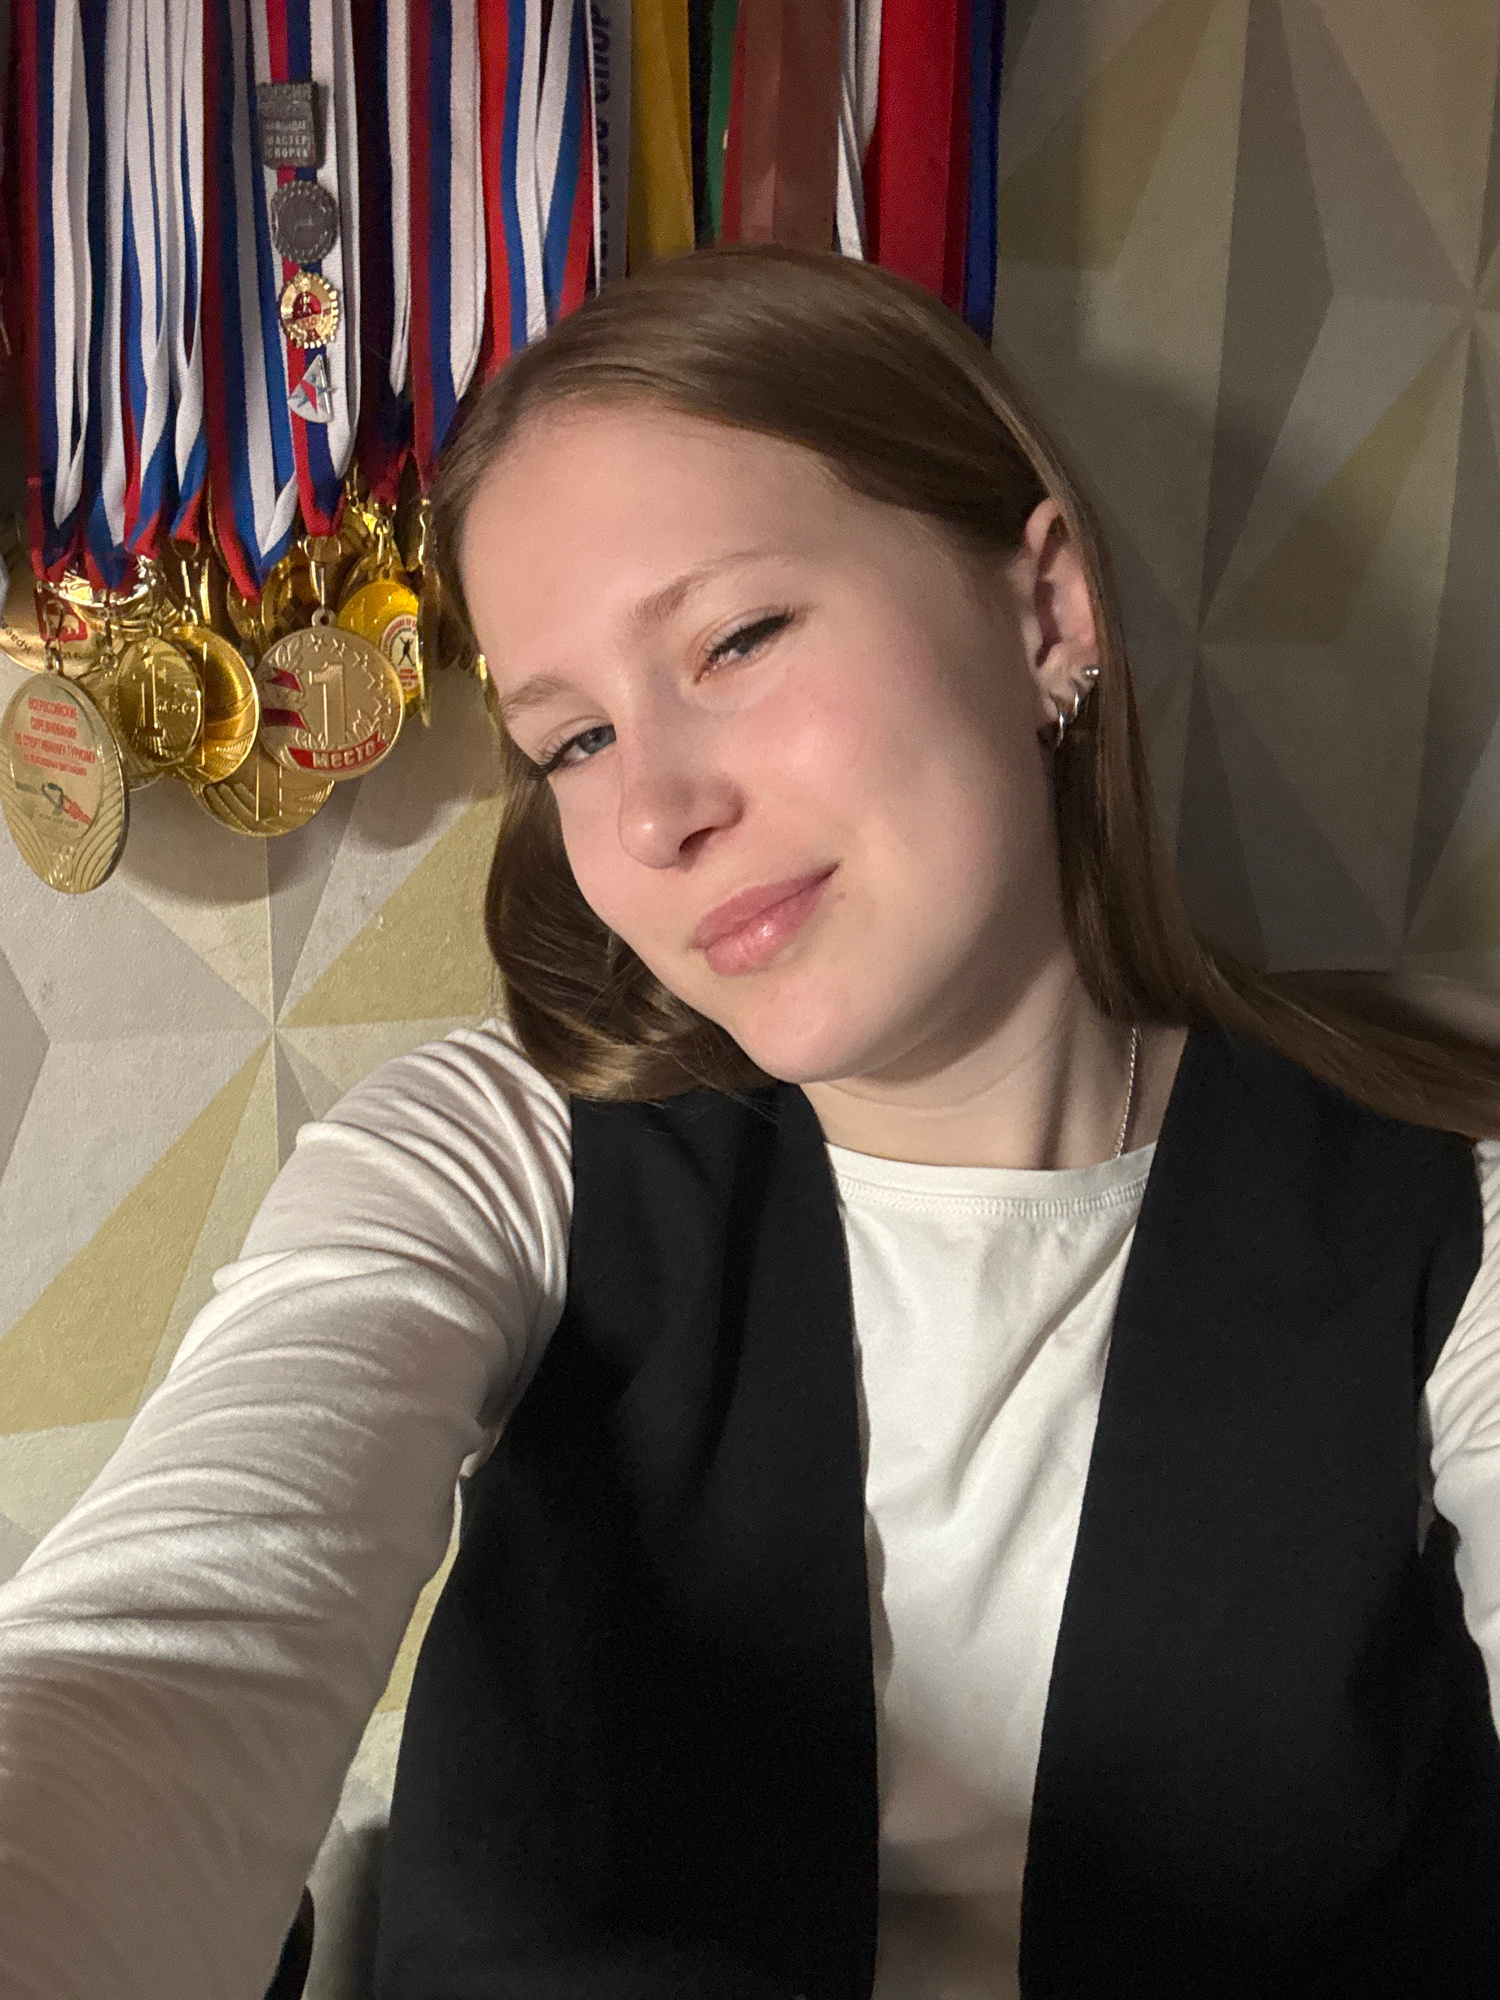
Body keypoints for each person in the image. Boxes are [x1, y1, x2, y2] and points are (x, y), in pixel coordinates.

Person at [1, 245, 1499, 2000]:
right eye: (572, 741)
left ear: (1047, 613)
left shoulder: (1440, 1222)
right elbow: (169, 1649)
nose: (656, 812)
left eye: (736, 638)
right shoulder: (493, 1164)